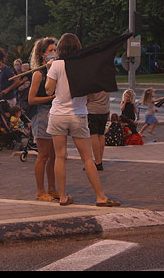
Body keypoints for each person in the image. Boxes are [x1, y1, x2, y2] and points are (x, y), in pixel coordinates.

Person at [45, 32, 120, 207]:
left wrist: (49, 69)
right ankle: (100, 196)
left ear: (60, 48)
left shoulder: (57, 64)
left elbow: (48, 90)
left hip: (58, 115)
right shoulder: (83, 65)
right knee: (87, 158)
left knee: (60, 157)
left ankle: (62, 197)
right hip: (78, 114)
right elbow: (92, 93)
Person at [28, 37, 59, 202]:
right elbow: (31, 99)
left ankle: (52, 188)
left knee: (54, 155)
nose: (54, 54)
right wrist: (51, 97)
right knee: (43, 155)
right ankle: (40, 190)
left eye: (55, 50)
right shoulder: (38, 74)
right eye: (51, 51)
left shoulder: (55, 71)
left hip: (55, 114)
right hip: (41, 116)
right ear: (42, 54)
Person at [87, 91, 109, 171]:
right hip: (104, 110)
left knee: (93, 135)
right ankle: (100, 160)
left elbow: (88, 96)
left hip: (93, 110)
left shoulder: (93, 81)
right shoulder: (106, 81)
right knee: (101, 134)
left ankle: (97, 162)